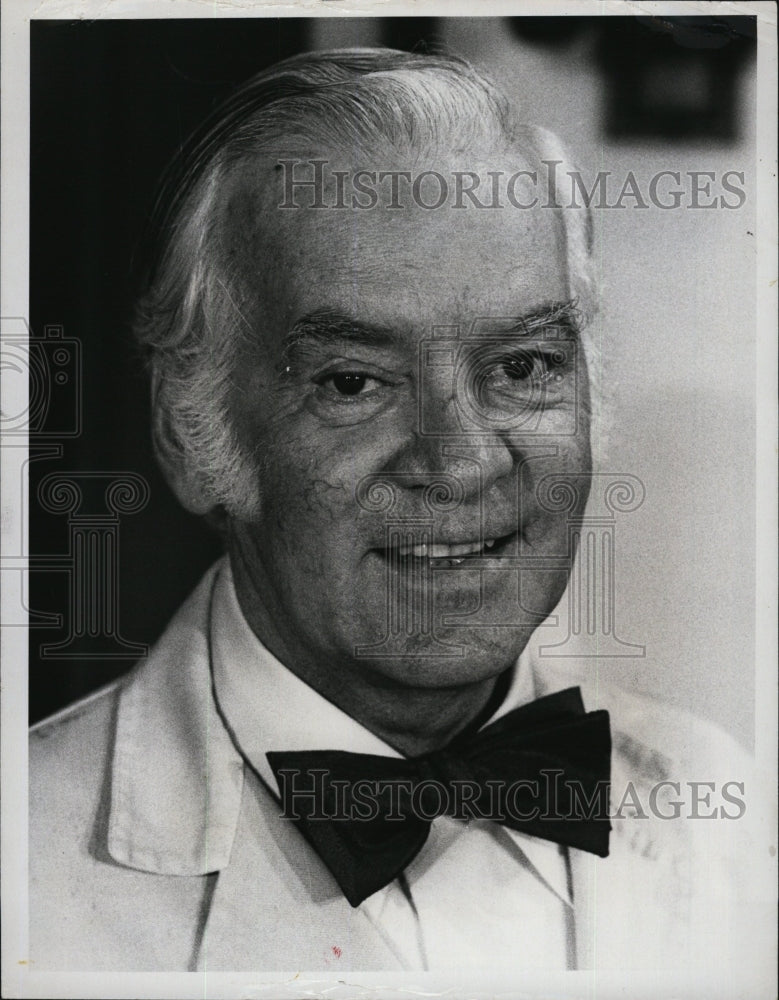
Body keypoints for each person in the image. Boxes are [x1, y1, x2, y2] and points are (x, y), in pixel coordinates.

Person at [29, 48, 762, 975]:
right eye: (353, 382)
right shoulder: (23, 862)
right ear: (192, 431)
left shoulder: (731, 805)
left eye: (524, 367)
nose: (458, 463)